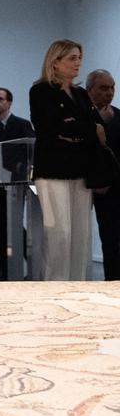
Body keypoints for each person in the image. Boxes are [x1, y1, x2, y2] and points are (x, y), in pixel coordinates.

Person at [29, 39, 103, 281]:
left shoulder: (81, 93)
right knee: (59, 234)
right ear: (55, 61)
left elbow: (96, 127)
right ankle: (56, 289)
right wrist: (82, 129)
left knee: (81, 236)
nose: (78, 63)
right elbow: (50, 127)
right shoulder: (41, 91)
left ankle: (79, 288)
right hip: (53, 172)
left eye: (79, 57)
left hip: (81, 170)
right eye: (72, 58)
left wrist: (78, 129)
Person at [0, 87, 35, 280]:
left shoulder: (21, 125)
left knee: (13, 226)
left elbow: (30, 154)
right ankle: (2, 272)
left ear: (9, 102)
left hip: (15, 187)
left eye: (0, 99)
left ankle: (28, 267)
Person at [87, 69, 120, 280]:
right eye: (103, 88)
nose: (109, 93)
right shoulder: (81, 117)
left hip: (116, 187)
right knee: (109, 241)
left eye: (112, 88)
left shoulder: (119, 115)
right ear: (89, 90)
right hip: (95, 188)